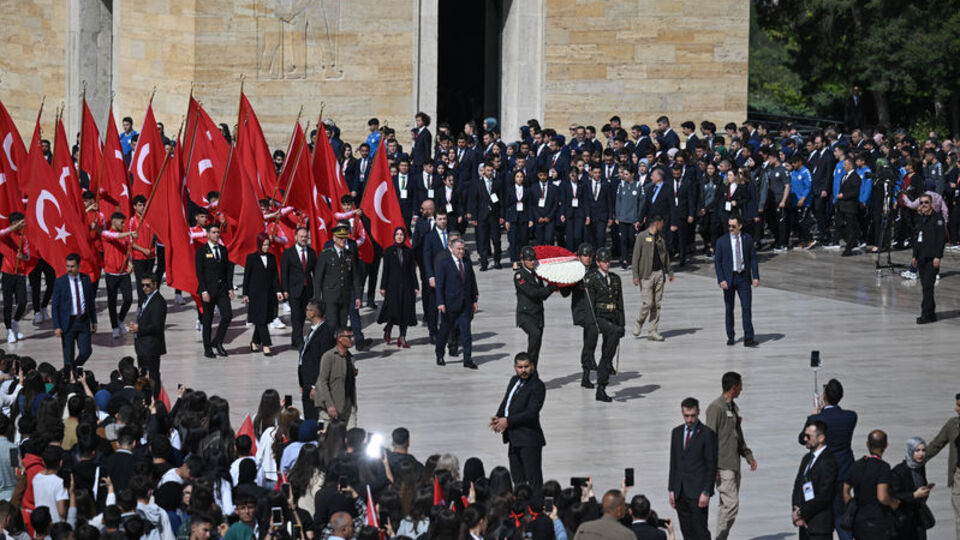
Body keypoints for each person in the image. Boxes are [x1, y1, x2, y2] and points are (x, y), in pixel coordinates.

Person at [802, 378, 858, 540]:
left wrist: (814, 415)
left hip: (821, 473)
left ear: (824, 397)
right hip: (844, 470)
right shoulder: (850, 417)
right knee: (841, 516)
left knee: (820, 515)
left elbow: (802, 438)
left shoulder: (818, 420)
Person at [704, 371, 757, 540]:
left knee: (724, 507)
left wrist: (748, 456)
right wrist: (712, 467)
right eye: (740, 386)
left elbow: (737, 435)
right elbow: (709, 439)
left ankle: (721, 537)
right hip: (722, 466)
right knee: (732, 505)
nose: (742, 389)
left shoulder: (732, 408)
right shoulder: (716, 408)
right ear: (733, 387)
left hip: (734, 464)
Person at [490, 353, 546, 494]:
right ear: (515, 367)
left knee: (534, 480)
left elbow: (532, 413)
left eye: (526, 366)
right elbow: (507, 402)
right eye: (520, 367)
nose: (523, 370)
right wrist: (498, 417)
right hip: (513, 438)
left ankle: (536, 508)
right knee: (518, 479)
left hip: (529, 439)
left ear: (532, 366)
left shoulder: (537, 386)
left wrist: (507, 421)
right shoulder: (514, 381)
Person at [668, 397, 717, 540]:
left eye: (693, 416)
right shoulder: (676, 433)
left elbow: (711, 464)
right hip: (680, 491)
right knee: (686, 531)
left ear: (698, 412)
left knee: (700, 531)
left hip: (697, 492)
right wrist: (672, 488)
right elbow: (674, 463)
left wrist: (707, 491)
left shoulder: (707, 434)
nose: (690, 420)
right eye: (686, 416)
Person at [585, 247, 625, 402]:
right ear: (597, 262)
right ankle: (606, 363)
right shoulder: (592, 278)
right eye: (603, 261)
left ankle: (602, 383)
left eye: (608, 261)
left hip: (613, 315)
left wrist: (622, 323)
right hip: (600, 317)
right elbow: (590, 304)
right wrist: (593, 324)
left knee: (611, 344)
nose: (607, 264)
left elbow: (619, 302)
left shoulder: (615, 279)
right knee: (613, 334)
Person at [713, 214, 759, 347]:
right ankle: (731, 335)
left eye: (733, 226)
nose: (731, 229)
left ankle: (749, 337)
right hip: (729, 278)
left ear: (740, 226)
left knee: (746, 307)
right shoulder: (722, 241)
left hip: (743, 277)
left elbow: (753, 259)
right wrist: (721, 279)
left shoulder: (747, 239)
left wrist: (755, 276)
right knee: (729, 308)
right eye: (729, 226)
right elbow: (718, 262)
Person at [843, 430, 898, 539]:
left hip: (859, 522)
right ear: (886, 445)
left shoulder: (856, 465)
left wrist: (851, 506)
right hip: (878, 522)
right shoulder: (883, 467)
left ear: (867, 444)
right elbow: (882, 497)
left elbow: (845, 491)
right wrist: (893, 503)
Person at [434, 237, 479, 369]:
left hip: (465, 304)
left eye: (462, 249)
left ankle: (467, 359)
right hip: (449, 304)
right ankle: (439, 354)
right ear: (452, 249)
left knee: (466, 333)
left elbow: (472, 282)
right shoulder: (444, 263)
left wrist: (474, 300)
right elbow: (440, 285)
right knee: (444, 331)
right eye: (458, 249)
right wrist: (440, 302)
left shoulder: (467, 262)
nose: (461, 251)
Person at [793, 420, 839, 540]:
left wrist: (801, 513)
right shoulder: (807, 458)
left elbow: (824, 496)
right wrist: (796, 511)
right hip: (804, 524)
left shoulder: (828, 461)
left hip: (819, 526)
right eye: (804, 435)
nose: (805, 439)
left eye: (809, 436)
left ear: (821, 438)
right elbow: (798, 486)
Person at [561, 243, 598, 388]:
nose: (587, 259)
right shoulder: (574, 272)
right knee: (590, 336)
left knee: (592, 339)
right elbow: (565, 293)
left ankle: (591, 368)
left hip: (594, 310)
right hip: (581, 311)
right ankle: (587, 370)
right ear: (579, 256)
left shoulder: (595, 270)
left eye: (590, 256)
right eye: (585, 256)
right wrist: (566, 281)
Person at [631, 214, 673, 342]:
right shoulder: (642, 237)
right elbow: (635, 257)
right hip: (646, 275)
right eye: (661, 224)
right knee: (648, 303)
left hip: (659, 273)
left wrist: (669, 272)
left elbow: (665, 256)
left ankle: (653, 330)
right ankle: (639, 322)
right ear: (656, 224)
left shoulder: (660, 238)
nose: (663, 226)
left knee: (657, 304)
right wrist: (635, 275)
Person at [923, 392, 960, 540]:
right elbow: (935, 445)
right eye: (957, 405)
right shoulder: (953, 424)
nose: (957, 409)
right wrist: (917, 460)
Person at [51, 253, 98, 368]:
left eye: (72, 266)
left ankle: (74, 368)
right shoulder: (60, 282)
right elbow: (55, 306)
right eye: (67, 266)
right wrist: (57, 326)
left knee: (86, 351)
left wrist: (94, 320)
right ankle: (69, 375)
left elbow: (90, 302)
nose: (69, 269)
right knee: (68, 355)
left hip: (83, 321)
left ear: (78, 266)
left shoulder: (86, 279)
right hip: (68, 323)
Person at [195, 223, 234, 359]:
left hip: (222, 289)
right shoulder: (201, 251)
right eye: (213, 232)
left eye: (218, 232)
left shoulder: (223, 250)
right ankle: (207, 348)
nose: (216, 235)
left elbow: (228, 271)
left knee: (227, 315)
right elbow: (199, 273)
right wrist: (204, 290)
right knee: (208, 320)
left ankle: (217, 341)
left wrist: (230, 287)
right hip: (208, 290)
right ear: (208, 234)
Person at [314, 224, 362, 329]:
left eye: (344, 237)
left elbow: (355, 276)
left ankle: (339, 344)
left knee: (343, 324)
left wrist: (358, 296)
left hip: (345, 295)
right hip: (330, 295)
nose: (343, 240)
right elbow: (318, 278)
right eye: (340, 238)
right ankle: (330, 345)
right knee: (332, 323)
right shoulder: (326, 254)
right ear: (334, 238)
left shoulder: (349, 254)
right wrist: (317, 298)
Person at [242, 233, 283, 356]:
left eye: (268, 245)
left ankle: (254, 341)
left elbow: (275, 276)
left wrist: (278, 291)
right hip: (255, 295)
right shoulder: (251, 258)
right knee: (261, 321)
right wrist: (245, 293)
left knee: (263, 319)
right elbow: (247, 277)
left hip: (268, 294)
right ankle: (266, 344)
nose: (266, 247)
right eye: (264, 245)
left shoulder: (271, 257)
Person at [377, 227, 419, 348]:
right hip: (392, 286)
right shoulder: (388, 251)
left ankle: (402, 338)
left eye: (401, 234)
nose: (399, 236)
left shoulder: (409, 252)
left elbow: (412, 271)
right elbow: (386, 270)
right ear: (394, 236)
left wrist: (415, 286)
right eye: (397, 234)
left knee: (405, 311)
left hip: (407, 285)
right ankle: (388, 329)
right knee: (393, 311)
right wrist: (383, 286)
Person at [513, 246, 555, 365]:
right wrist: (551, 287)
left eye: (533, 259)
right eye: (529, 259)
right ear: (522, 261)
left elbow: (543, 296)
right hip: (526, 315)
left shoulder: (537, 275)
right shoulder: (520, 276)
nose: (532, 262)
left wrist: (552, 287)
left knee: (536, 346)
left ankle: (533, 369)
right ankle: (527, 366)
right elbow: (533, 293)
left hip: (538, 314)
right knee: (535, 336)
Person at [128, 273, 166, 395]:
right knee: (144, 376)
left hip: (151, 347)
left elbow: (157, 326)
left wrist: (139, 328)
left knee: (153, 376)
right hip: (143, 346)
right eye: (143, 285)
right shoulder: (146, 299)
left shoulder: (158, 302)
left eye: (148, 285)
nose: (145, 288)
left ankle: (155, 399)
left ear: (155, 285)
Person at [100, 211, 136, 339]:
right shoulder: (106, 234)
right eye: (121, 222)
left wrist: (130, 263)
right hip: (111, 273)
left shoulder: (124, 237)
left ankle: (120, 320)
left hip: (123, 272)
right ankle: (114, 326)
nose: (123, 224)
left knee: (128, 299)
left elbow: (127, 251)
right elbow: (115, 237)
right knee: (112, 301)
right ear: (114, 221)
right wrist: (130, 233)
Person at [0, 213, 35, 343]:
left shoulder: (23, 238)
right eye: (19, 223)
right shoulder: (6, 236)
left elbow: (28, 256)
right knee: (8, 303)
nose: (21, 225)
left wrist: (23, 258)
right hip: (8, 273)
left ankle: (15, 322)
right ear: (13, 223)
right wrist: (13, 228)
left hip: (20, 273)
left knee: (22, 301)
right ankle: (9, 329)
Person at [911, 194, 946, 324]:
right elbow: (916, 239)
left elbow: (941, 239)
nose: (923, 205)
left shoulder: (937, 219)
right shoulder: (920, 219)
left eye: (926, 202)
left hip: (932, 258)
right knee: (926, 287)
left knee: (927, 286)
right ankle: (930, 313)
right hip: (921, 258)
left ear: (931, 204)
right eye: (921, 203)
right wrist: (914, 256)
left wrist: (938, 256)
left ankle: (926, 314)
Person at [315, 327, 358, 428]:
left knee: (352, 436)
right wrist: (329, 405)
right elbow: (322, 381)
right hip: (331, 406)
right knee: (329, 439)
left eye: (353, 336)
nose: (353, 339)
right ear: (339, 338)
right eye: (349, 337)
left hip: (348, 404)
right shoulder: (329, 356)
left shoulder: (350, 358)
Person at [298, 299, 335, 420]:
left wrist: (315, 386)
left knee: (313, 417)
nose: (306, 312)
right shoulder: (314, 330)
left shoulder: (325, 332)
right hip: (307, 381)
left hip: (315, 384)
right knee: (309, 414)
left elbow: (324, 361)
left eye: (307, 310)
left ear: (314, 313)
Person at [891, 437, 934, 540]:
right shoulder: (899, 471)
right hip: (903, 520)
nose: (921, 454)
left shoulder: (920, 467)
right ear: (910, 451)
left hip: (917, 519)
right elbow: (893, 495)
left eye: (923, 450)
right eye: (917, 450)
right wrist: (914, 495)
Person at [281, 227, 316, 350]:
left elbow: (315, 272)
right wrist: (285, 290)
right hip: (294, 290)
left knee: (302, 316)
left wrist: (317, 290)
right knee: (296, 316)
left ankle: (295, 340)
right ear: (296, 237)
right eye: (301, 236)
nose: (304, 239)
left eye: (306, 237)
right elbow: (284, 273)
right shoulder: (288, 253)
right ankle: (300, 342)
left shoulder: (311, 252)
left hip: (307, 290)